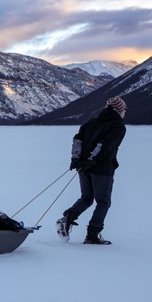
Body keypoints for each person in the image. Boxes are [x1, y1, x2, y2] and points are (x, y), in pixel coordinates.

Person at [56, 96, 128, 245]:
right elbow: (105, 145)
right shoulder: (118, 126)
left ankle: (67, 219)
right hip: (101, 169)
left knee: (87, 198)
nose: (124, 113)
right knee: (103, 202)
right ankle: (92, 235)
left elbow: (77, 140)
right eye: (124, 110)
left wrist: (76, 159)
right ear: (119, 110)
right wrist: (92, 160)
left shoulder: (90, 122)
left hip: (83, 167)